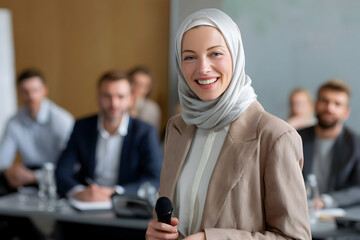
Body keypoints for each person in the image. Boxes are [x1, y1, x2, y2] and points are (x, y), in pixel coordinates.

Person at [146, 8, 310, 240]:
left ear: (235, 55)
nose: (202, 68)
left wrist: (209, 238)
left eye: (215, 54)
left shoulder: (275, 136)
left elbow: (295, 237)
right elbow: (168, 212)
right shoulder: (178, 128)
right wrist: (158, 231)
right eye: (190, 57)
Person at [55, 70, 162, 202]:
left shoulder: (145, 132)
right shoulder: (82, 127)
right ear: (98, 97)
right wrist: (79, 192)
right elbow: (62, 172)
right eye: (107, 96)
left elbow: (154, 179)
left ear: (131, 99)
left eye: (120, 97)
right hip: (88, 203)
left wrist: (115, 193)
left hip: (126, 205)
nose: (114, 103)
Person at [0, 69, 74, 240]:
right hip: (28, 173)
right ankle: (30, 234)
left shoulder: (62, 120)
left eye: (35, 90)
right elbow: (3, 161)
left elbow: (70, 167)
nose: (31, 96)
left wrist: (35, 176)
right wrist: (9, 173)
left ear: (44, 90)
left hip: (58, 174)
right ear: (19, 93)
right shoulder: (14, 121)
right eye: (25, 91)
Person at [298, 79, 360, 209]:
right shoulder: (297, 138)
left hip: (338, 217)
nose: (329, 108)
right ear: (315, 105)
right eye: (324, 101)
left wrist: (327, 201)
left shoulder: (356, 144)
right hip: (298, 210)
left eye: (337, 104)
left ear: (346, 112)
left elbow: (358, 189)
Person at [128, 66, 161, 131]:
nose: (138, 88)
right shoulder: (117, 101)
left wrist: (132, 110)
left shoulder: (151, 107)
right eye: (135, 83)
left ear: (148, 89)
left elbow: (142, 131)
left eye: (143, 85)